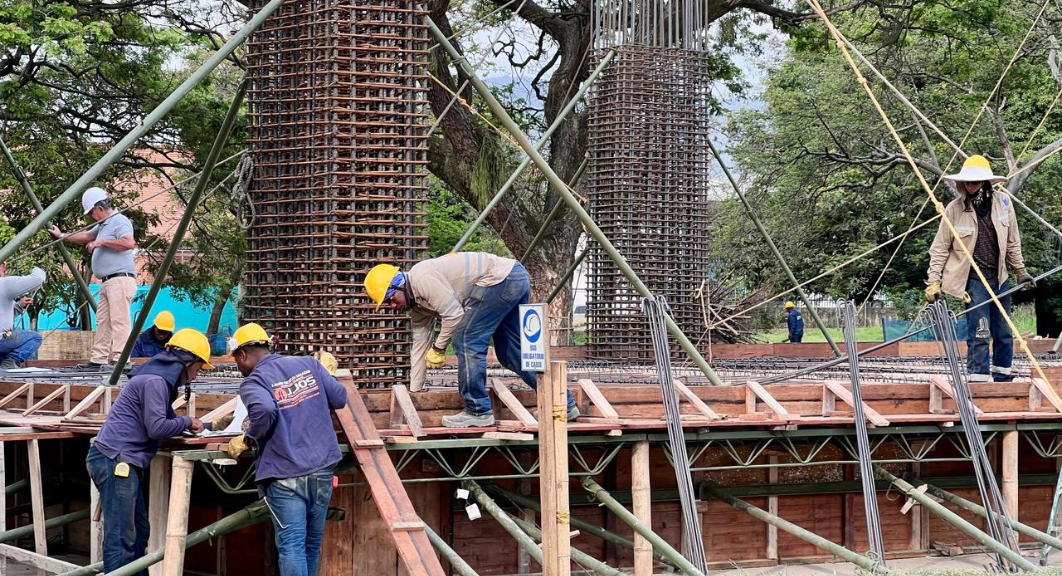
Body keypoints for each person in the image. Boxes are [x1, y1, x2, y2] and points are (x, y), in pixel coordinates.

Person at [364, 252, 578, 428]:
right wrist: (416, 389)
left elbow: (454, 314)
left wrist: (439, 348)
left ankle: (478, 410)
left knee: (466, 339)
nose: (392, 306)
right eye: (386, 304)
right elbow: (419, 347)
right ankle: (563, 403)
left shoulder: (421, 278)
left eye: (390, 298)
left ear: (399, 285)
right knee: (510, 353)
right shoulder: (417, 308)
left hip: (501, 280)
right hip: (513, 277)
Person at [86, 329, 228, 574]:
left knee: (139, 532)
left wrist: (206, 426)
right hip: (115, 461)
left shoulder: (157, 379)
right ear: (187, 361)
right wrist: (187, 422)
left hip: (119, 460)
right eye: (198, 368)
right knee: (122, 537)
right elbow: (158, 427)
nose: (195, 375)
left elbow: (168, 420)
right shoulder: (155, 382)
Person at [226, 323, 347, 576]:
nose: (237, 367)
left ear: (243, 355)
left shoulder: (253, 382)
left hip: (285, 474)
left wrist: (248, 439)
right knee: (310, 546)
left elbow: (266, 411)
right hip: (322, 469)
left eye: (236, 360)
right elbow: (339, 398)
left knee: (292, 548)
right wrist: (325, 376)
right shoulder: (309, 364)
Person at [925, 155, 1034, 382]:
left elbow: (1012, 241)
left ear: (985, 182)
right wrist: (933, 281)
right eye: (967, 182)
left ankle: (1003, 377)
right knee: (980, 332)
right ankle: (978, 380)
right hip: (974, 281)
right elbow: (940, 249)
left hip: (1000, 277)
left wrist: (1020, 271)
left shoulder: (1003, 202)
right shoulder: (954, 209)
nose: (971, 185)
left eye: (975, 181)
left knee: (1004, 332)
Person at [49, 186, 138, 369]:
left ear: (100, 207)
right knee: (103, 321)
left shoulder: (119, 221)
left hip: (120, 279)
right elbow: (86, 235)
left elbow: (129, 243)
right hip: (107, 281)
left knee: (119, 320)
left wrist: (101, 242)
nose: (90, 216)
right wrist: (62, 236)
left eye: (91, 212)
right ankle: (98, 359)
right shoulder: (103, 225)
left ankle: (122, 360)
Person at [0, 263, 45, 369]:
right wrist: (37, 267)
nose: (5, 269)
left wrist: (19, 306)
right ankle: (10, 362)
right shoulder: (3, 283)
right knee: (34, 337)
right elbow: (38, 278)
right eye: (2, 265)